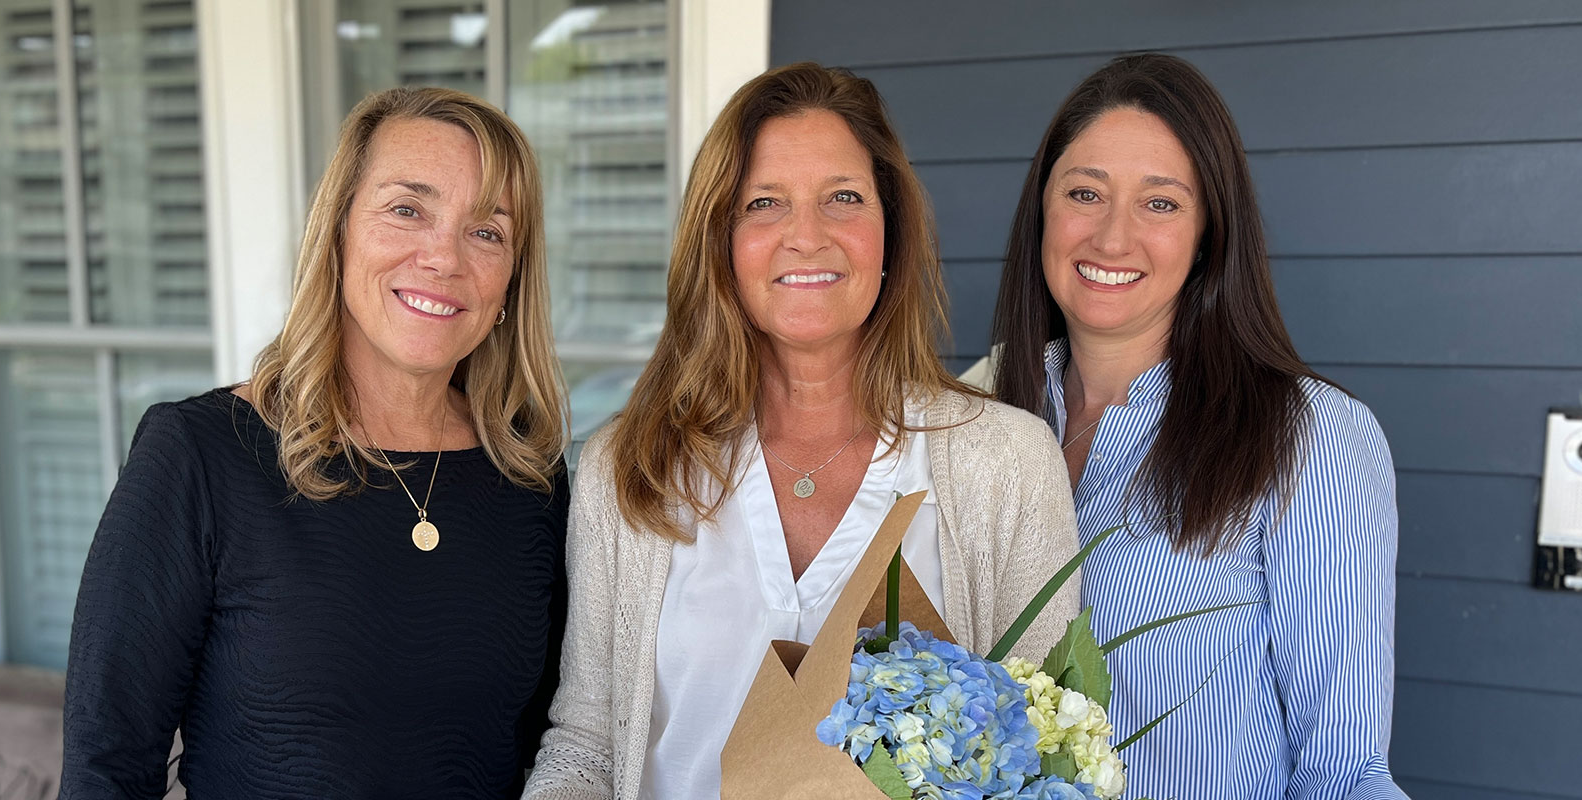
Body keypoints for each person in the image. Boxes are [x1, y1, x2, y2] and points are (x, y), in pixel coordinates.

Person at [520, 62, 1081, 800]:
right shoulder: (630, 468)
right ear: (720, 238)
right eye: (764, 203)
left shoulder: (1005, 462)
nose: (805, 237)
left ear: (892, 232)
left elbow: (1044, 750)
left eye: (843, 198)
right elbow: (587, 747)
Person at [61, 87, 569, 799]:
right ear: (336, 232)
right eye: (407, 210)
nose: (443, 257)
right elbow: (105, 772)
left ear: (511, 277)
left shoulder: (529, 478)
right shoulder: (201, 455)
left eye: (487, 231)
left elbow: (554, 744)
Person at [987, 53, 1406, 798]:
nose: (1112, 239)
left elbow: (1346, 773)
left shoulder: (1308, 437)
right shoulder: (974, 414)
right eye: (1085, 193)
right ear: (1042, 210)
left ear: (1210, 233)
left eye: (1160, 203)